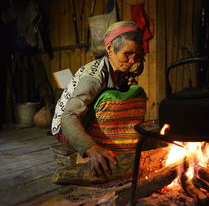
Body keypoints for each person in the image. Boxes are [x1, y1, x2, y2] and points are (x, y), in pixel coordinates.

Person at [51, 21, 145, 178]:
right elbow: (68, 117)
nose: (132, 61)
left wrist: (124, 88)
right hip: (65, 127)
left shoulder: (118, 70)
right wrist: (91, 148)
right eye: (127, 54)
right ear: (109, 49)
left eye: (137, 55)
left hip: (87, 119)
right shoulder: (93, 78)